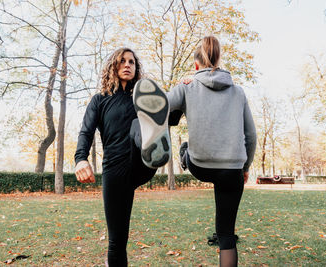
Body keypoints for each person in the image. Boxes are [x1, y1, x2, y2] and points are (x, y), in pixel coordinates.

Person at [74, 47, 172, 266]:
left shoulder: (145, 99)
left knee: (140, 122)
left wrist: (187, 84)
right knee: (117, 241)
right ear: (113, 66)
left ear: (136, 68)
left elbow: (172, 110)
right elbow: (86, 132)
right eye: (122, 61)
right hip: (115, 170)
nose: (127, 65)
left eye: (132, 62)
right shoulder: (100, 100)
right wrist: (81, 158)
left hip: (141, 163)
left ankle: (154, 143)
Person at [166, 36, 257, 266]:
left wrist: (182, 86)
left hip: (200, 165)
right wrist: (245, 168)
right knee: (226, 234)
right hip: (232, 168)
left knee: (185, 147)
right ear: (219, 60)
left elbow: (159, 105)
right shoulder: (238, 92)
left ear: (196, 65)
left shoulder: (187, 87)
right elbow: (251, 136)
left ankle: (184, 154)